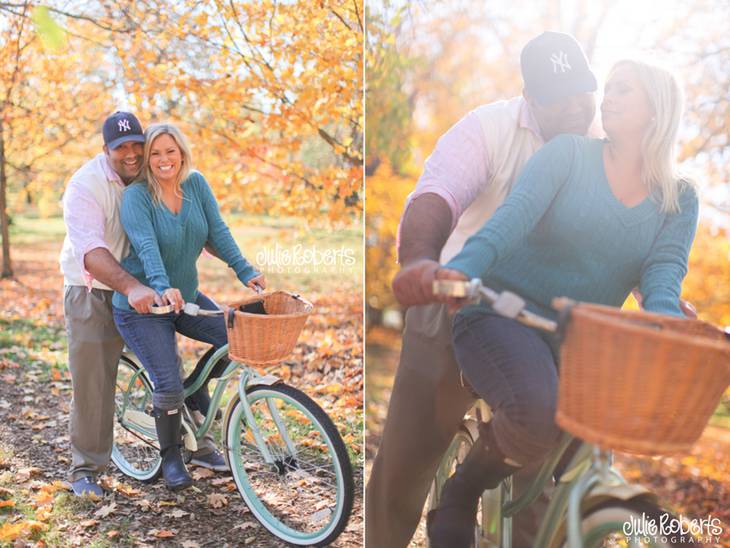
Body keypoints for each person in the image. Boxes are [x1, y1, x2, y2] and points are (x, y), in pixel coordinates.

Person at [422, 58, 698, 547]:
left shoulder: (679, 198)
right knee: (535, 413)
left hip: (583, 341)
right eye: (607, 89)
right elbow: (510, 221)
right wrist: (463, 269)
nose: (606, 98)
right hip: (502, 315)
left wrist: (667, 328)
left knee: (587, 458)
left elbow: (663, 278)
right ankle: (461, 494)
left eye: (623, 91)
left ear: (656, 110)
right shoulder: (569, 155)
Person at [366, 31, 599, 548]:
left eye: (584, 90)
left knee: (537, 468)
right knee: (410, 454)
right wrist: (421, 264)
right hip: (458, 300)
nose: (576, 107)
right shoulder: (487, 129)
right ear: (531, 98)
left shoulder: (603, 139)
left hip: (542, 320)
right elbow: (436, 195)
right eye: (560, 97)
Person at [60, 112, 229, 497]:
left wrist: (241, 265)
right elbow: (91, 252)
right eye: (123, 148)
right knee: (95, 384)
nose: (133, 153)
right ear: (106, 150)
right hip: (96, 290)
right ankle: (85, 469)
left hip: (156, 285)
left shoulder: (151, 171)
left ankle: (196, 444)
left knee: (168, 365)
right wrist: (132, 286)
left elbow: (194, 224)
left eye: (139, 144)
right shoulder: (85, 186)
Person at [111, 123, 265, 490]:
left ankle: (194, 391)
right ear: (147, 160)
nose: (164, 160)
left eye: (170, 151)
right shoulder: (137, 197)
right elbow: (147, 249)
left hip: (187, 297)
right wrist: (162, 289)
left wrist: (246, 270)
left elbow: (218, 231)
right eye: (155, 154)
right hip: (143, 308)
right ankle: (172, 456)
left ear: (181, 152)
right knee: (166, 383)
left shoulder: (196, 185)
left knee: (237, 336)